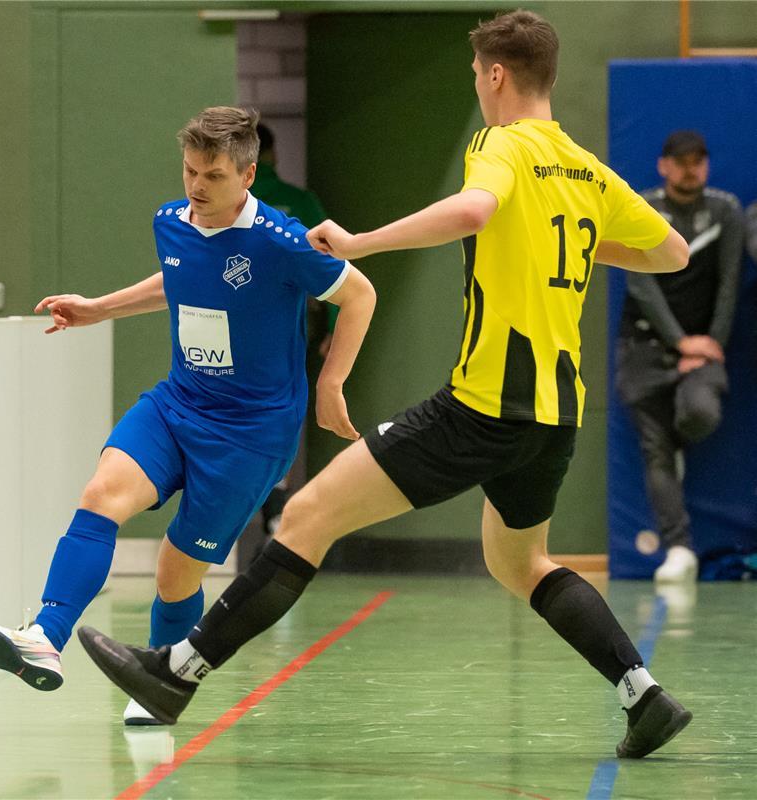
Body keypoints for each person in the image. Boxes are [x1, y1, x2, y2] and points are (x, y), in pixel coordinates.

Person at [79, 10, 694, 760]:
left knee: (305, 516)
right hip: (554, 416)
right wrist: (570, 245)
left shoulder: (499, 144)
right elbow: (669, 252)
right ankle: (641, 692)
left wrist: (363, 240)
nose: (477, 84)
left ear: (495, 75)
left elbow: (474, 209)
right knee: (519, 562)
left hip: (481, 406)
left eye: (475, 74)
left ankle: (176, 673)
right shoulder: (583, 167)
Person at [0, 106, 376, 726]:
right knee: (102, 492)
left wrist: (331, 383)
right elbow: (181, 281)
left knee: (175, 572)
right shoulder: (170, 221)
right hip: (178, 403)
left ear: (247, 173)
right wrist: (97, 308)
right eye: (189, 171)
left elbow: (360, 294)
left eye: (211, 175)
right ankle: (44, 637)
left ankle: (160, 684)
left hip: (251, 434)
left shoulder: (280, 240)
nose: (196, 186)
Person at [615, 131, 744, 583]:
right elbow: (639, 282)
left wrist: (707, 345)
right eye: (681, 161)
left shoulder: (725, 211)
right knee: (656, 452)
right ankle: (680, 550)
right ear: (663, 165)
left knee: (699, 413)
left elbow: (730, 285)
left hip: (704, 352)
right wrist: (678, 342)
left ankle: (679, 441)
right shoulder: (643, 208)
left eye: (698, 160)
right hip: (645, 349)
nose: (691, 168)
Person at [250, 123, 333, 541]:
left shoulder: (229, 205)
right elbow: (335, 268)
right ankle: (277, 509)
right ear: (273, 155)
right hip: (288, 330)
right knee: (281, 413)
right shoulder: (300, 203)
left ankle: (268, 503)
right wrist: (332, 329)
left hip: (233, 331)